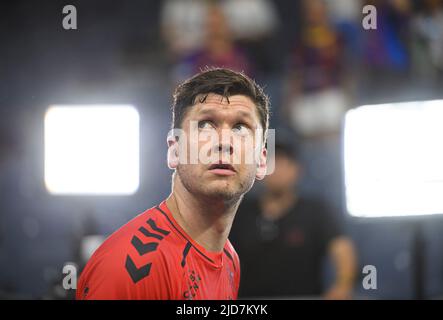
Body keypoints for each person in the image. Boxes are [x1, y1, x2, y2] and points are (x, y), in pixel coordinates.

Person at [76, 68, 270, 300]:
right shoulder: (131, 268)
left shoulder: (229, 259)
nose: (224, 142)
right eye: (206, 124)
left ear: (261, 161)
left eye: (240, 127)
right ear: (174, 151)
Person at [230, 142, 357, 299]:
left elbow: (342, 250)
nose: (277, 171)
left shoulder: (315, 211)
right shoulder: (240, 211)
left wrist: (342, 287)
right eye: (271, 164)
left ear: (297, 170)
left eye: (284, 165)